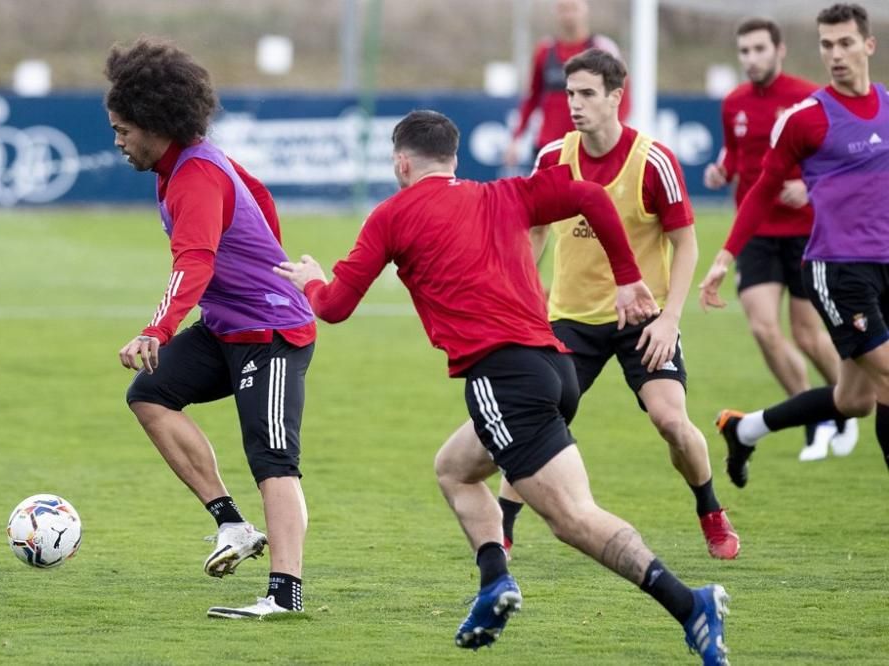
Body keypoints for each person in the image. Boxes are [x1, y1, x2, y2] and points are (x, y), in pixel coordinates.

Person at [276, 109, 730, 665]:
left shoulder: (390, 215)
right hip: (553, 366)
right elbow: (590, 198)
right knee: (454, 469)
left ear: (401, 163)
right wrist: (629, 274)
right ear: (454, 159)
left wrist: (311, 280)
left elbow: (336, 307)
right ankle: (495, 584)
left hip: (504, 378)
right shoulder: (502, 194)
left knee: (573, 519)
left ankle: (690, 605)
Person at [488, 49, 738, 561]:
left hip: (643, 319)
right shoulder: (553, 158)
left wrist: (670, 319)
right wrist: (522, 291)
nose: (574, 104)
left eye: (586, 94)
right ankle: (503, 528)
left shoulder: (654, 161)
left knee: (670, 421)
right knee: (534, 415)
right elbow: (533, 232)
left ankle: (710, 510)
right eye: (569, 94)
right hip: (569, 320)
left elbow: (685, 243)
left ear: (616, 98)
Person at [104, 37, 315, 618]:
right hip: (228, 328)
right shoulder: (182, 165)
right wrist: (270, 254)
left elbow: (193, 260)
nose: (118, 141)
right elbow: (260, 198)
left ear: (154, 122)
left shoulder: (195, 175)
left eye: (124, 129)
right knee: (150, 395)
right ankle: (233, 526)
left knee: (273, 456)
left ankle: (284, 595)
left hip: (270, 333)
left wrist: (157, 330)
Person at [699, 3, 889, 485]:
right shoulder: (806, 118)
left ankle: (745, 430)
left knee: (856, 400)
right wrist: (724, 256)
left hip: (884, 263)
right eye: (827, 44)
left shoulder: (887, 105)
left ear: (868, 44)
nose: (836, 53)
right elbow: (762, 188)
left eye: (845, 42)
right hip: (838, 269)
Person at [504, 0, 629, 167]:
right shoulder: (544, 51)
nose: (569, 15)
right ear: (556, 13)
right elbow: (532, 98)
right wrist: (516, 138)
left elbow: (623, 96)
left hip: (588, 147)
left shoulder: (602, 48)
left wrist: (609, 136)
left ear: (585, 10)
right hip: (549, 146)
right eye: (563, 9)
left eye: (574, 8)